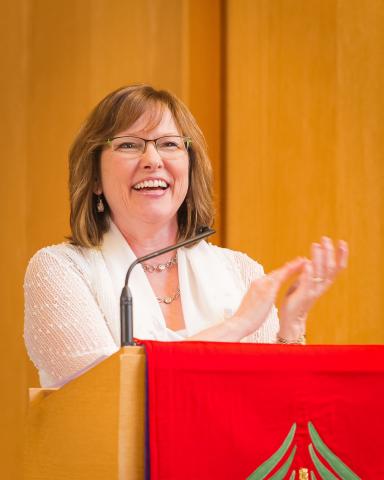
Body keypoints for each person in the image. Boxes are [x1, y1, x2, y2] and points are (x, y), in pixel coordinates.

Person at [24, 85, 348, 388]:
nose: (153, 161)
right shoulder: (60, 269)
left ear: (190, 169)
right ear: (94, 176)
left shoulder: (240, 272)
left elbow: (274, 403)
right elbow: (106, 390)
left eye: (169, 144)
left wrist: (292, 323)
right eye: (128, 145)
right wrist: (236, 327)